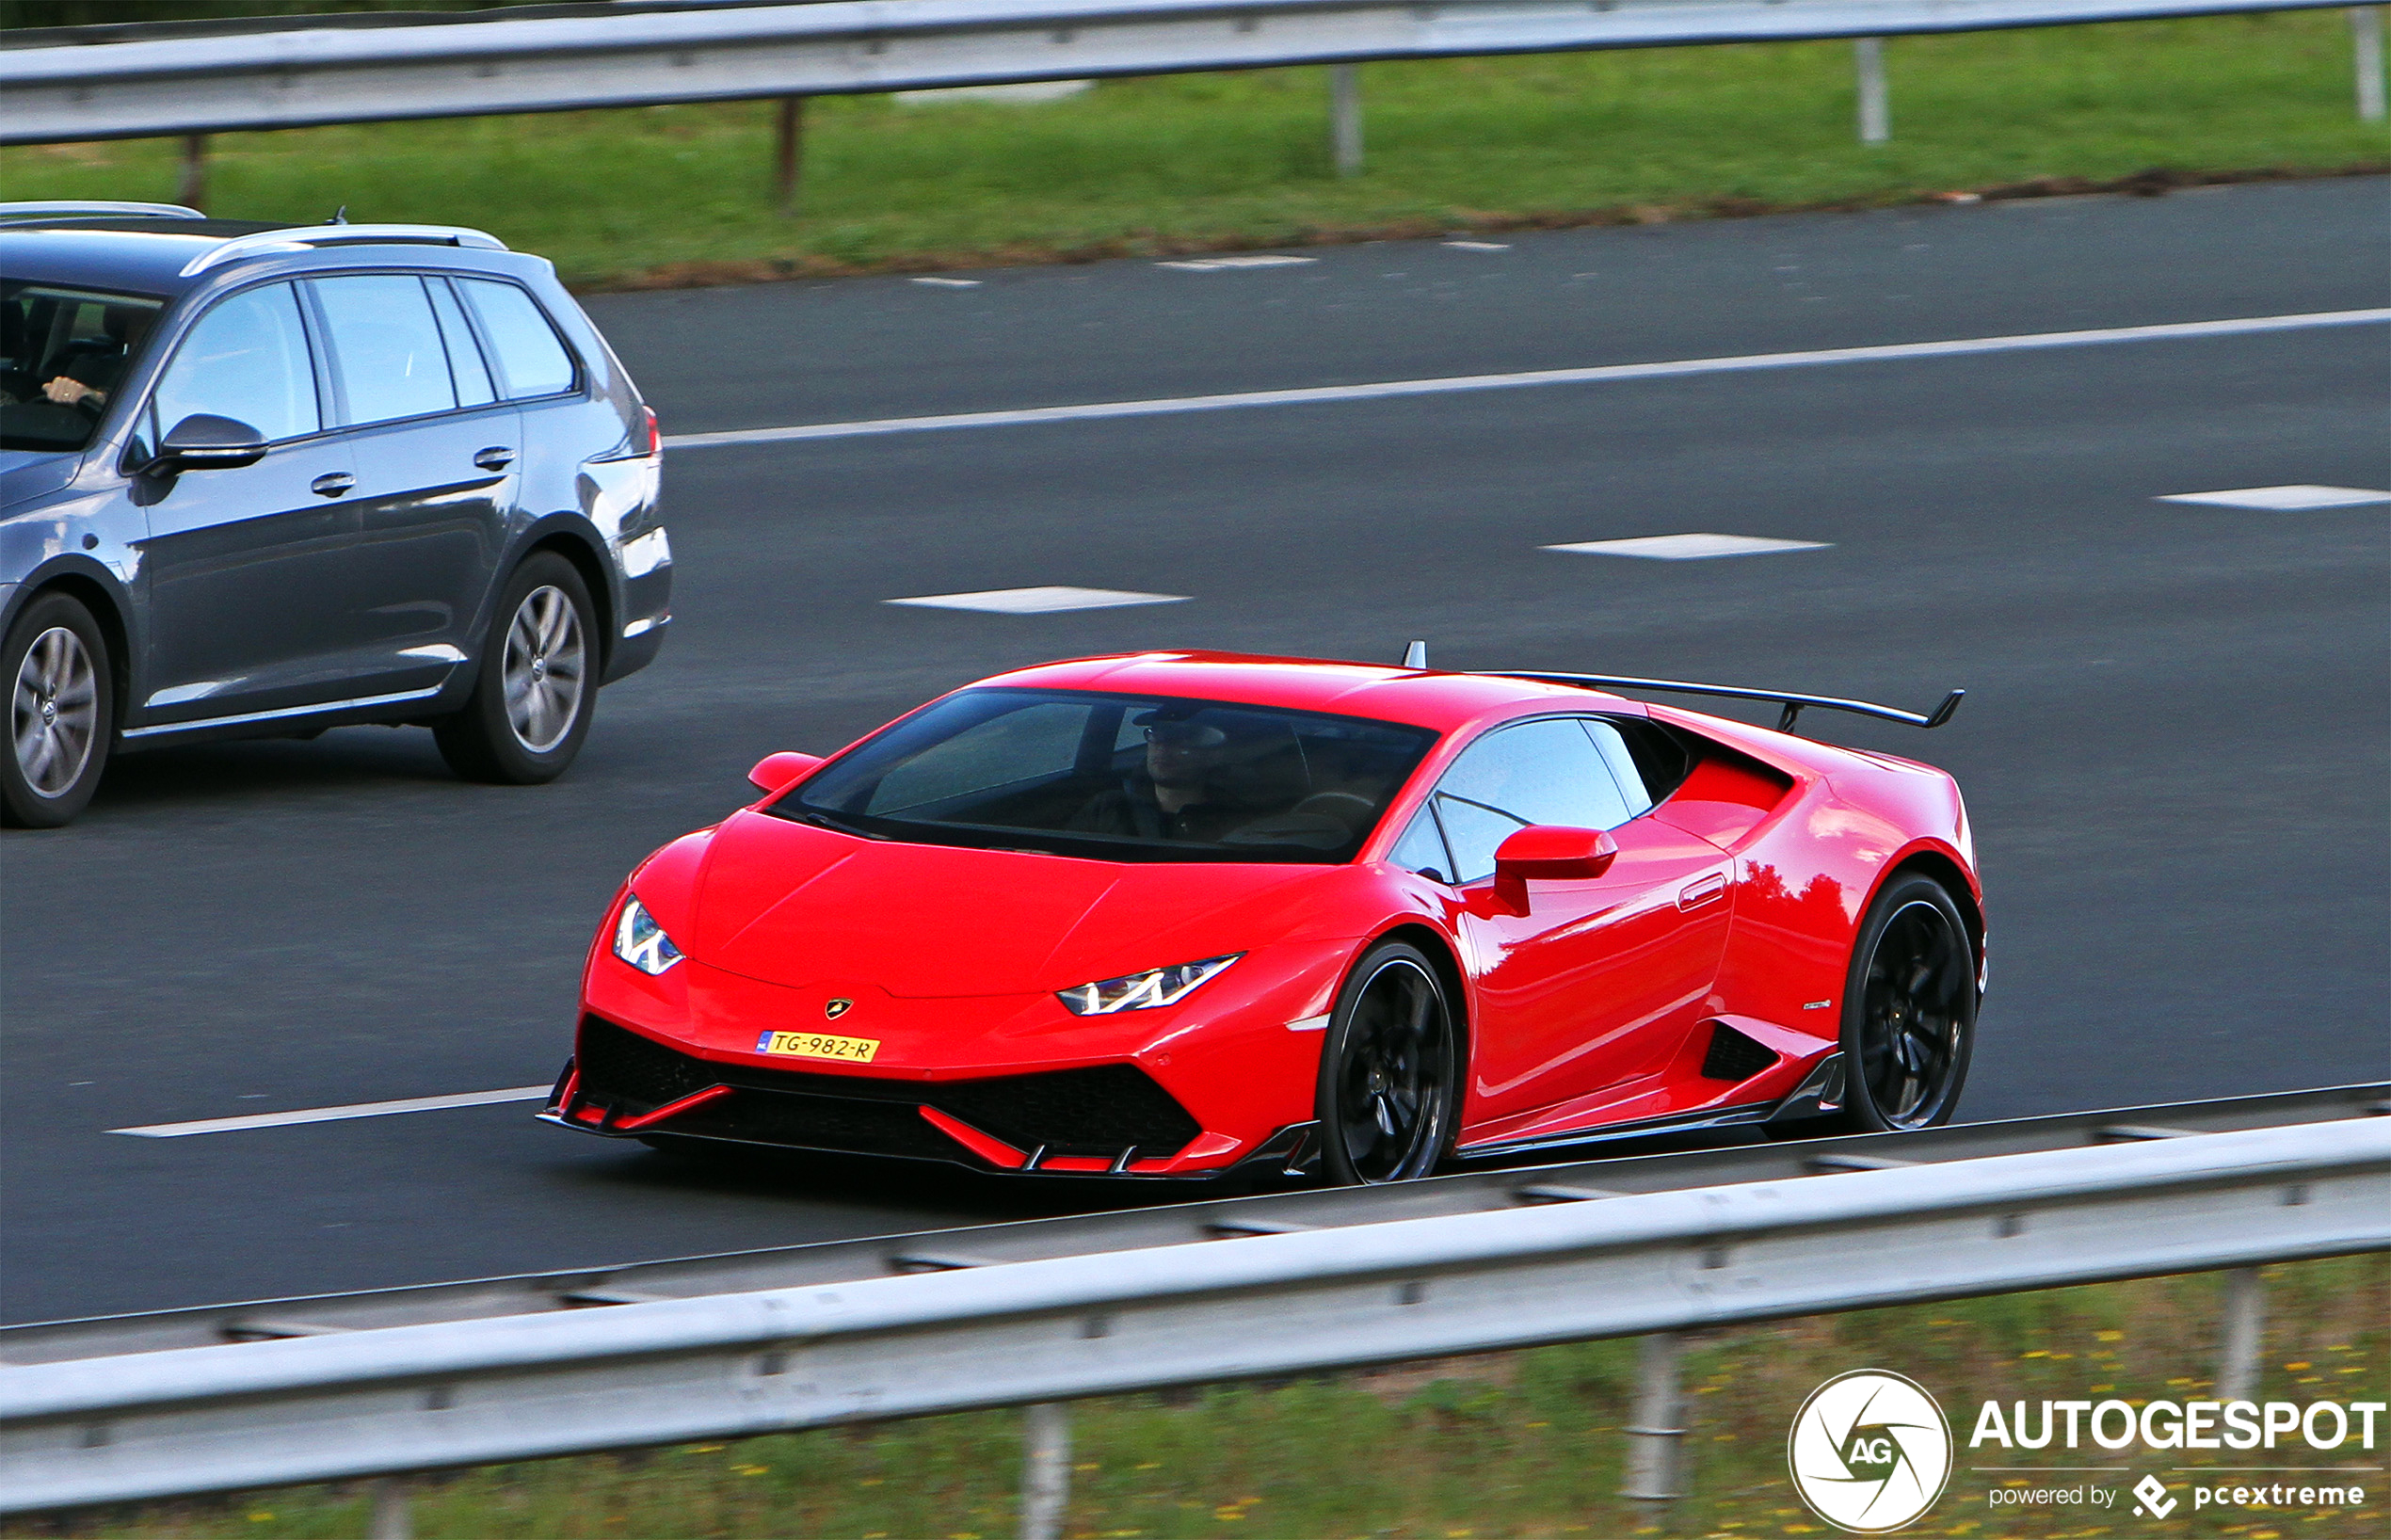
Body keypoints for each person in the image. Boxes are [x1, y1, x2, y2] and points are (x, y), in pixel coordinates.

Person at [1070, 714, 1253, 842]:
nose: (1162, 745)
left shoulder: (1236, 821)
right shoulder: (1108, 807)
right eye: (1156, 734)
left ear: (1215, 754)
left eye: (1180, 737)